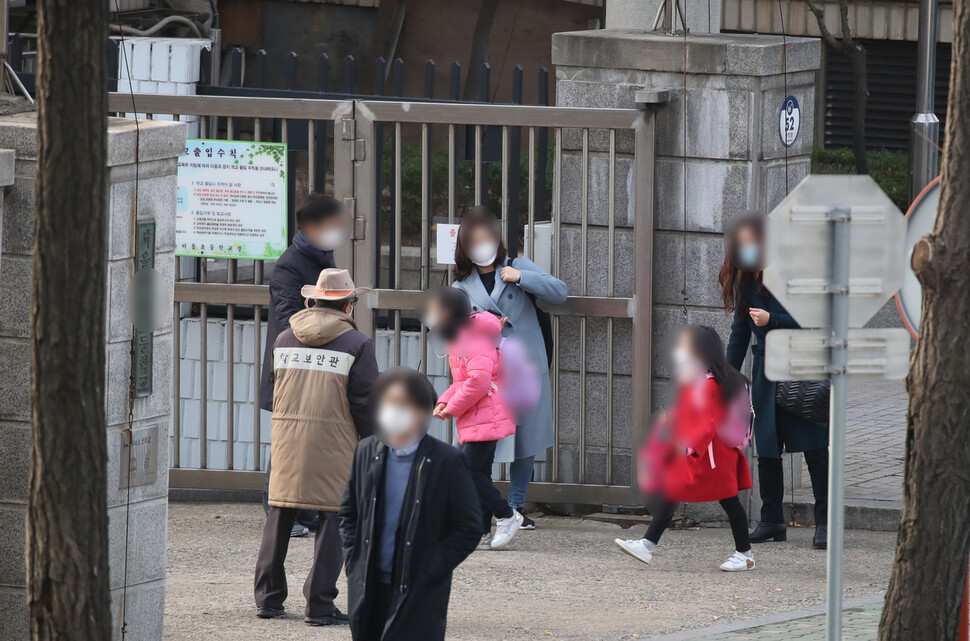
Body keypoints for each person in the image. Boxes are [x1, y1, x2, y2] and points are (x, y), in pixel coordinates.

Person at [254, 268, 378, 625]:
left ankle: (268, 599)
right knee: (334, 518)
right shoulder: (357, 345)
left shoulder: (284, 339)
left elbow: (273, 389)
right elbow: (367, 404)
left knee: (280, 512)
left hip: (288, 440)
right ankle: (319, 604)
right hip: (336, 444)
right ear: (347, 305)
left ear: (314, 300)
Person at [339, 368, 482, 641]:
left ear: (423, 412)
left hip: (419, 591)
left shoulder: (447, 462)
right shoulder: (367, 451)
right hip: (369, 585)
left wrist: (432, 567)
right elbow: (349, 512)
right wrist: (354, 560)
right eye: (388, 403)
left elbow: (469, 527)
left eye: (402, 405)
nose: (393, 411)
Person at [451, 208, 567, 528]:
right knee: (485, 442)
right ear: (465, 247)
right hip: (489, 375)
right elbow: (456, 334)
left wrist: (523, 278)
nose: (482, 245)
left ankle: (515, 505)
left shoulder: (517, 266)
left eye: (487, 237)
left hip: (525, 367)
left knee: (526, 438)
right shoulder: (461, 287)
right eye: (474, 241)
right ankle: (487, 508)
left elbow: (560, 292)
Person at [720, 213, 829, 550]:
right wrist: (724, 376)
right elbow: (739, 334)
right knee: (767, 448)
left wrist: (773, 320)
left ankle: (825, 521)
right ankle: (772, 521)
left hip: (799, 365)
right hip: (766, 374)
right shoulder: (744, 281)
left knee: (813, 446)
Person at [614, 326, 756, 572]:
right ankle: (648, 545)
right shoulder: (709, 380)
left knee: (729, 501)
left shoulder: (709, 384)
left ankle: (745, 554)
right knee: (682, 493)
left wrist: (688, 446)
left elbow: (710, 422)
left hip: (709, 455)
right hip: (709, 454)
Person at [259, 193, 349, 537]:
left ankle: (307, 510)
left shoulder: (323, 257)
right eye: (331, 224)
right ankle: (276, 510)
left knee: (311, 435)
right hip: (293, 365)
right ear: (311, 227)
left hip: (316, 363)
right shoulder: (290, 265)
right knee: (289, 438)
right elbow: (287, 320)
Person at [424, 286, 522, 549]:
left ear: (447, 313)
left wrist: (453, 406)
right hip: (480, 417)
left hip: (486, 416)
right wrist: (446, 401)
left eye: (434, 310)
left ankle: (507, 515)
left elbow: (478, 382)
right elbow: (464, 381)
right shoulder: (461, 338)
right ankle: (482, 531)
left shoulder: (473, 340)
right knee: (479, 472)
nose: (430, 316)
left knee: (464, 470)